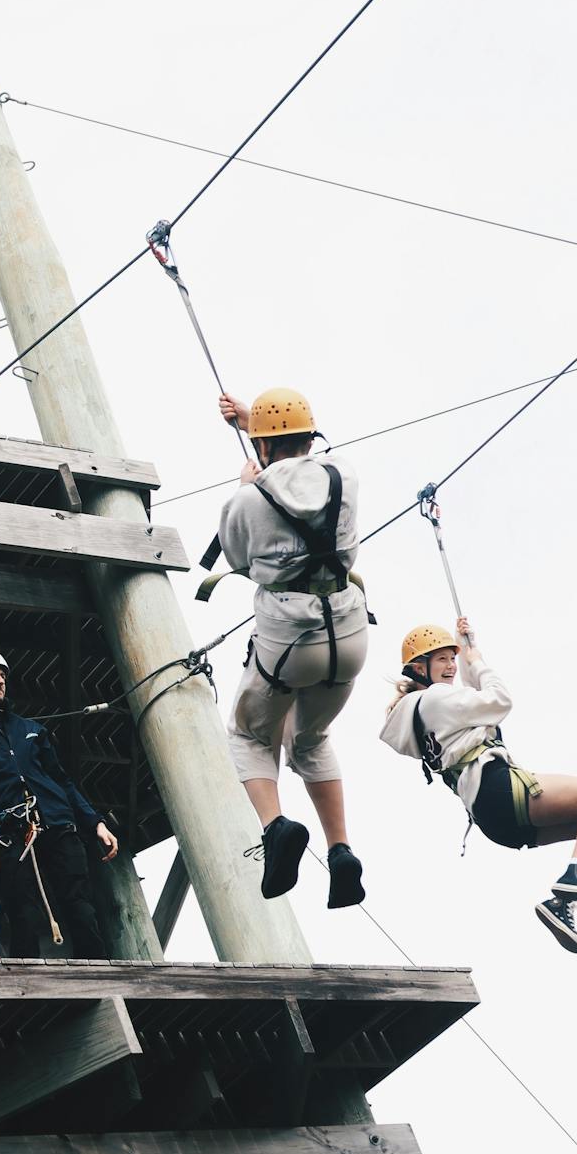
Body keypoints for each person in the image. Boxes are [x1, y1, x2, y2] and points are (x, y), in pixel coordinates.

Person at [378, 619, 577, 954]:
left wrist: (465, 649)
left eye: (451, 658)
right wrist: (477, 660)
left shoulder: (425, 714)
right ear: (419, 669)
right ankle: (573, 876)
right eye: (441, 659)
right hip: (498, 787)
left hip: (493, 821)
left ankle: (562, 904)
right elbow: (498, 700)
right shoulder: (435, 699)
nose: (451, 666)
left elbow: (472, 703)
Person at [213, 387, 369, 909]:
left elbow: (238, 561)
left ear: (261, 447)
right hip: (348, 637)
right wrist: (253, 421)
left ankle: (276, 826)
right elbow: (292, 463)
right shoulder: (343, 476)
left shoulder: (247, 499)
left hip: (290, 640)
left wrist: (246, 486)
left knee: (251, 735)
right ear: (311, 436)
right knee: (311, 737)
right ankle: (341, 849)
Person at [0, 646, 118, 959]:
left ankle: (98, 975)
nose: (0, 681)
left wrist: (96, 822)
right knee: (22, 916)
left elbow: (62, 781)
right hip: (7, 836)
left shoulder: (32, 729)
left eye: (3, 675)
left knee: (82, 909)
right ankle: (31, 992)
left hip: (58, 825)